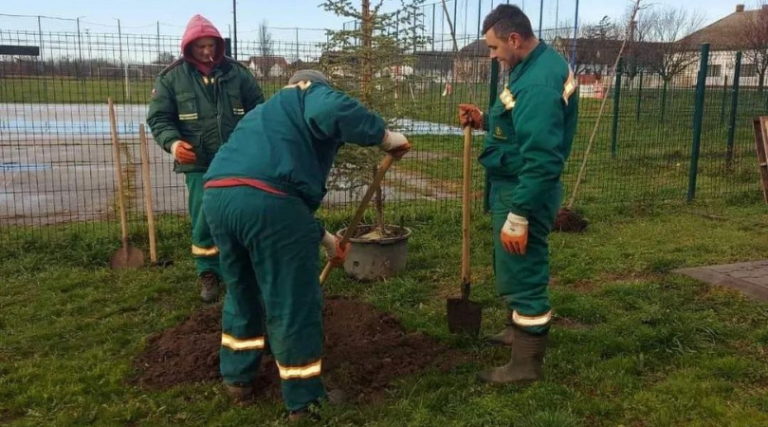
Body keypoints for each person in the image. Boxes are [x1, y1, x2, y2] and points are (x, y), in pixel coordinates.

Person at [201, 70, 411, 420]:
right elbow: (276, 197)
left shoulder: (263, 114)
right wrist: (385, 136)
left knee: (243, 289)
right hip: (268, 201)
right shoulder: (307, 92)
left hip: (219, 199)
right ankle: (304, 400)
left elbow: (272, 189)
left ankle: (238, 379)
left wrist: (328, 241)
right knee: (293, 301)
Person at [459, 4, 579, 384]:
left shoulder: (538, 84)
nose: (492, 56)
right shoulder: (533, 65)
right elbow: (518, 122)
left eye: (494, 48)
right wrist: (485, 120)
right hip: (514, 183)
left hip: (524, 189)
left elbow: (543, 159)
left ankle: (525, 364)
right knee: (510, 265)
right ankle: (516, 329)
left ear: (514, 39)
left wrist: (519, 214)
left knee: (523, 271)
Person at [146, 14, 264, 303]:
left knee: (241, 215)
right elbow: (159, 119)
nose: (208, 52)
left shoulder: (238, 74)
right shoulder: (171, 78)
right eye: (201, 47)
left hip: (238, 161)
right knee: (204, 218)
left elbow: (259, 110)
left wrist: (255, 145)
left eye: (212, 45)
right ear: (189, 47)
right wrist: (173, 144)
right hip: (198, 163)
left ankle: (241, 268)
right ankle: (208, 273)